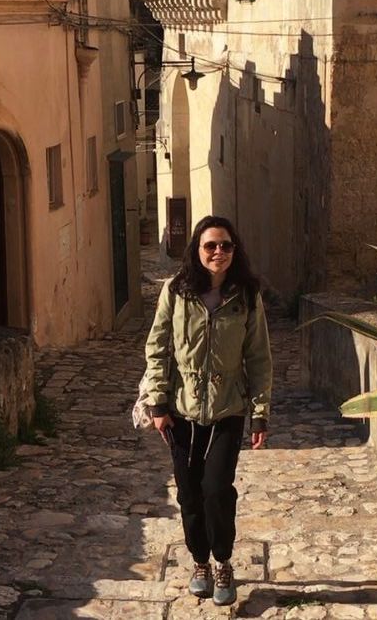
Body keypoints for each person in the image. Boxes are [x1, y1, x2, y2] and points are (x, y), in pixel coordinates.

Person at [144, 215, 273, 606]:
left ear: (235, 251)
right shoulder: (176, 291)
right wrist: (158, 402)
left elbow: (259, 357)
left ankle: (222, 561)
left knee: (216, 490)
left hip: (227, 409)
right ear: (197, 251)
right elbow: (158, 346)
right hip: (181, 411)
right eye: (210, 246)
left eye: (226, 246)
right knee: (188, 493)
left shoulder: (246, 296)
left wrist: (260, 411)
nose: (218, 252)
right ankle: (199, 561)